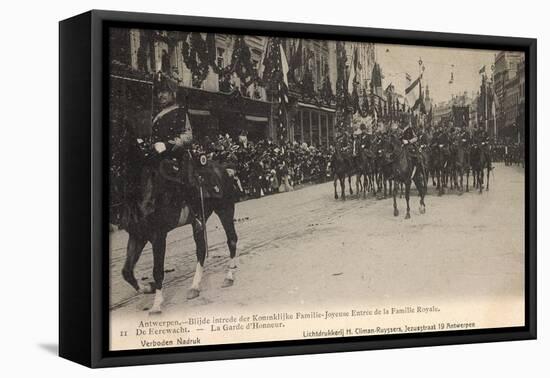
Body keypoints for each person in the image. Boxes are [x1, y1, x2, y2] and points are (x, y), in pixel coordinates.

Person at [150, 72, 204, 232]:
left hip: (177, 155)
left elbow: (188, 136)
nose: (161, 95)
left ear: (172, 93)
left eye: (164, 91)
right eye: (159, 92)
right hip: (158, 155)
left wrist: (168, 145)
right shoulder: (156, 116)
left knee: (187, 180)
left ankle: (196, 215)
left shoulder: (180, 112)